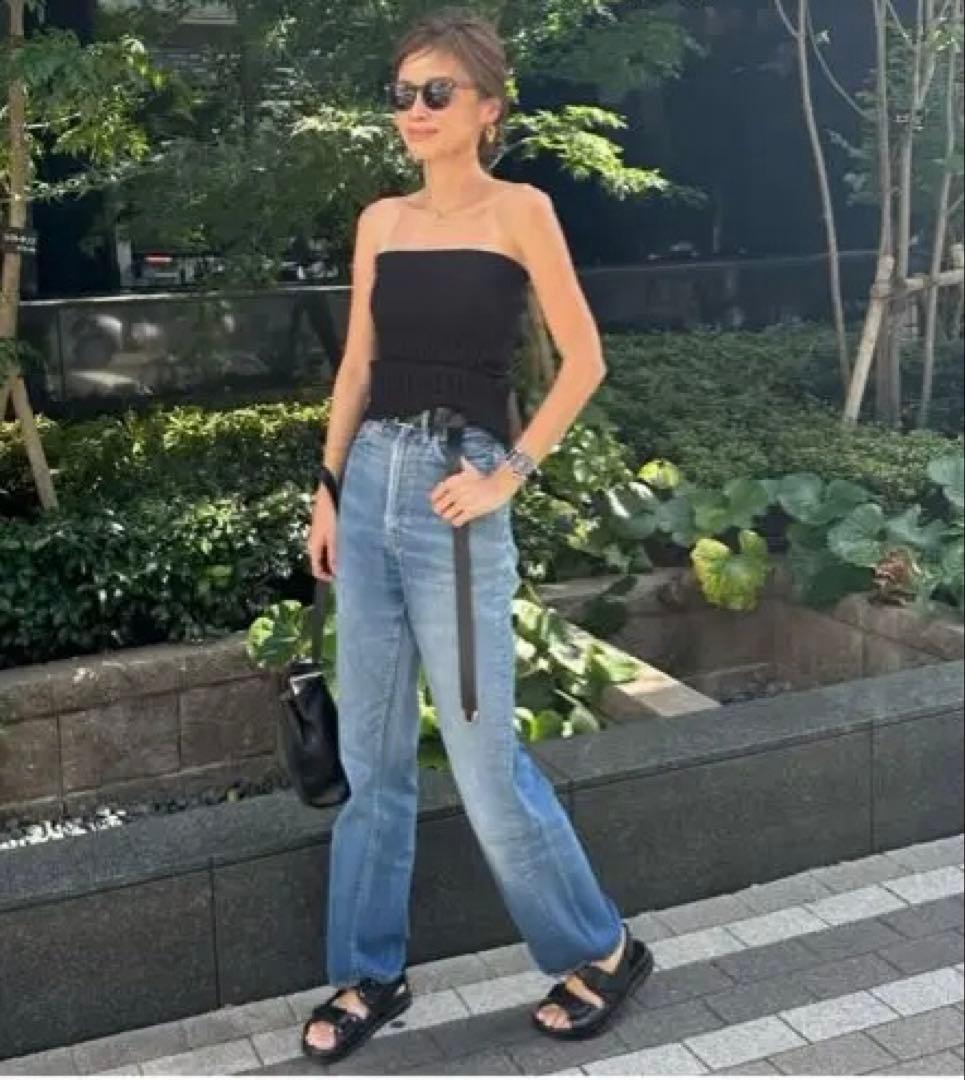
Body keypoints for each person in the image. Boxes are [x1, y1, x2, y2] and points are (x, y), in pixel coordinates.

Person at [301, 6, 653, 1065]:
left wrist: (509, 475)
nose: (413, 110)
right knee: (369, 757)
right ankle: (368, 973)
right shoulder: (380, 220)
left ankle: (601, 948)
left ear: (487, 109)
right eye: (401, 93)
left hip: (457, 496)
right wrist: (326, 489)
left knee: (481, 757)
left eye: (435, 93)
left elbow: (584, 360)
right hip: (369, 484)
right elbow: (356, 368)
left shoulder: (520, 211)